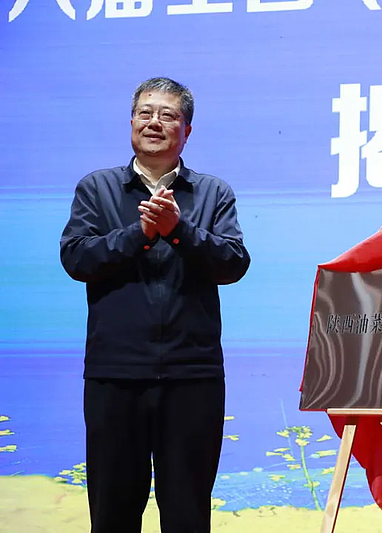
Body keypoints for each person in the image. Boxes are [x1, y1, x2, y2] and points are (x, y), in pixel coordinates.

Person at [60, 77, 250, 533]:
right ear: (131, 122)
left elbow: (233, 263)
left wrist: (178, 230)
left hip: (192, 374)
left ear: (187, 130)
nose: (154, 122)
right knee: (113, 511)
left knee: (187, 513)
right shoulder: (98, 188)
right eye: (145, 113)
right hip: (115, 372)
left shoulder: (212, 192)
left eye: (168, 115)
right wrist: (140, 234)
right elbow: (77, 258)